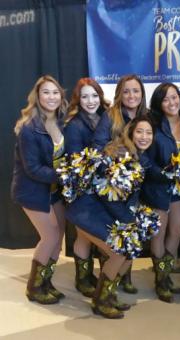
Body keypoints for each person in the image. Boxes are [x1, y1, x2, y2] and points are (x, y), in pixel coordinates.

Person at [65, 116, 154, 318]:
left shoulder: (140, 156)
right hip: (88, 209)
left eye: (149, 133)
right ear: (130, 133)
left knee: (130, 250)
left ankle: (108, 293)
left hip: (103, 209)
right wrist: (129, 222)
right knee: (120, 250)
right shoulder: (121, 154)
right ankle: (101, 300)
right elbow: (109, 196)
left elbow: (131, 195)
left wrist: (134, 219)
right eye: (139, 131)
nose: (144, 136)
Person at [11, 75, 68, 304]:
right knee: (50, 235)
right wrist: (66, 175)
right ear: (37, 96)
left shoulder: (62, 121)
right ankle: (34, 287)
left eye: (55, 92)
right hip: (33, 190)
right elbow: (33, 169)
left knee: (60, 234)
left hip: (54, 189)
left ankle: (46, 281)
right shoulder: (29, 128)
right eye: (46, 92)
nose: (51, 97)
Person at [93, 74, 147, 294]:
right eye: (126, 91)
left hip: (137, 183)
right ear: (119, 94)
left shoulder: (147, 116)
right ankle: (107, 281)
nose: (131, 95)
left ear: (142, 94)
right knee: (113, 232)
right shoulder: (110, 116)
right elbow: (96, 147)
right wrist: (113, 151)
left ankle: (125, 276)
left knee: (131, 228)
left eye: (135, 91)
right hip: (113, 185)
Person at [64, 78, 110, 297]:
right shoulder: (74, 126)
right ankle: (82, 278)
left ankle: (99, 275)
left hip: (105, 188)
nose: (90, 101)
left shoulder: (107, 117)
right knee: (83, 236)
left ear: (100, 97)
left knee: (101, 234)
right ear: (78, 100)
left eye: (94, 96)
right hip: (83, 189)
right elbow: (76, 163)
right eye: (85, 96)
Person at [141, 83, 180, 303]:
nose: (172, 102)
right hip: (157, 185)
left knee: (177, 231)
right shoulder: (152, 123)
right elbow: (144, 158)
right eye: (166, 99)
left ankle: (166, 274)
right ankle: (161, 281)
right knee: (159, 233)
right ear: (159, 103)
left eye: (175, 97)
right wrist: (163, 174)